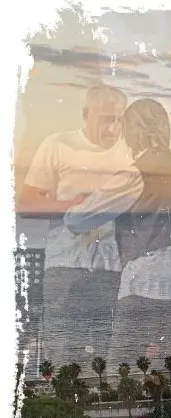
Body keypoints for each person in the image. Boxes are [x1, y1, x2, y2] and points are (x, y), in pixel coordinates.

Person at [64, 98, 171, 364]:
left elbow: (79, 220)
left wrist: (77, 206)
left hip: (149, 282)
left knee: (122, 365)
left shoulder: (135, 174)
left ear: (131, 132)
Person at [20, 85, 131, 367]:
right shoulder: (57, 145)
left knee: (105, 350)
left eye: (119, 120)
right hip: (65, 265)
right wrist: (73, 206)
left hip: (111, 267)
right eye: (106, 119)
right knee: (61, 349)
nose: (113, 128)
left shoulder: (130, 153)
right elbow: (27, 202)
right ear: (85, 114)